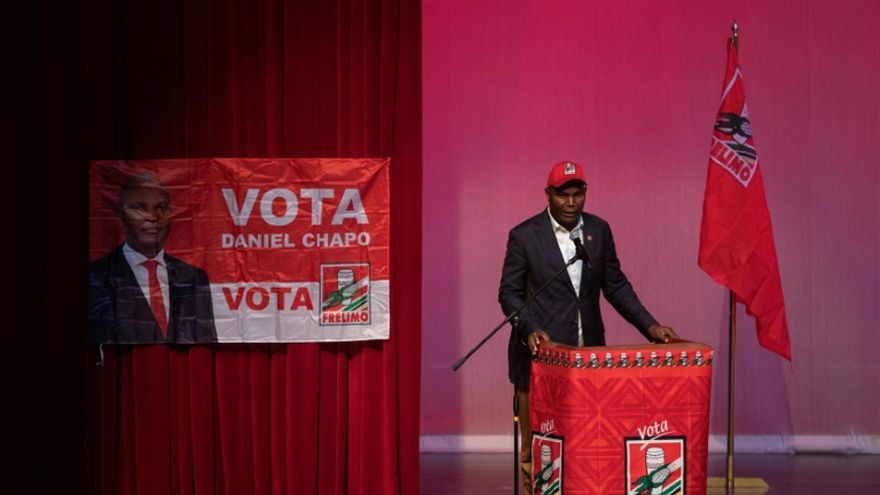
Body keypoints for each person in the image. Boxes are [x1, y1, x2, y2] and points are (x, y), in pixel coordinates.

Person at [498, 160, 677, 494]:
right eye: (562, 195)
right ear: (548, 194)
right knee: (539, 450)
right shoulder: (524, 236)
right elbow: (509, 293)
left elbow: (616, 286)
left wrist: (650, 326)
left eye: (577, 194)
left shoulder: (599, 231)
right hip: (539, 359)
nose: (570, 203)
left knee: (589, 445)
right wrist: (529, 328)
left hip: (589, 360)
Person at [89, 172, 217, 344]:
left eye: (161, 207)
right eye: (140, 208)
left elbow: (206, 342)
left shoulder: (194, 277)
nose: (152, 217)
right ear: (121, 216)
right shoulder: (97, 277)